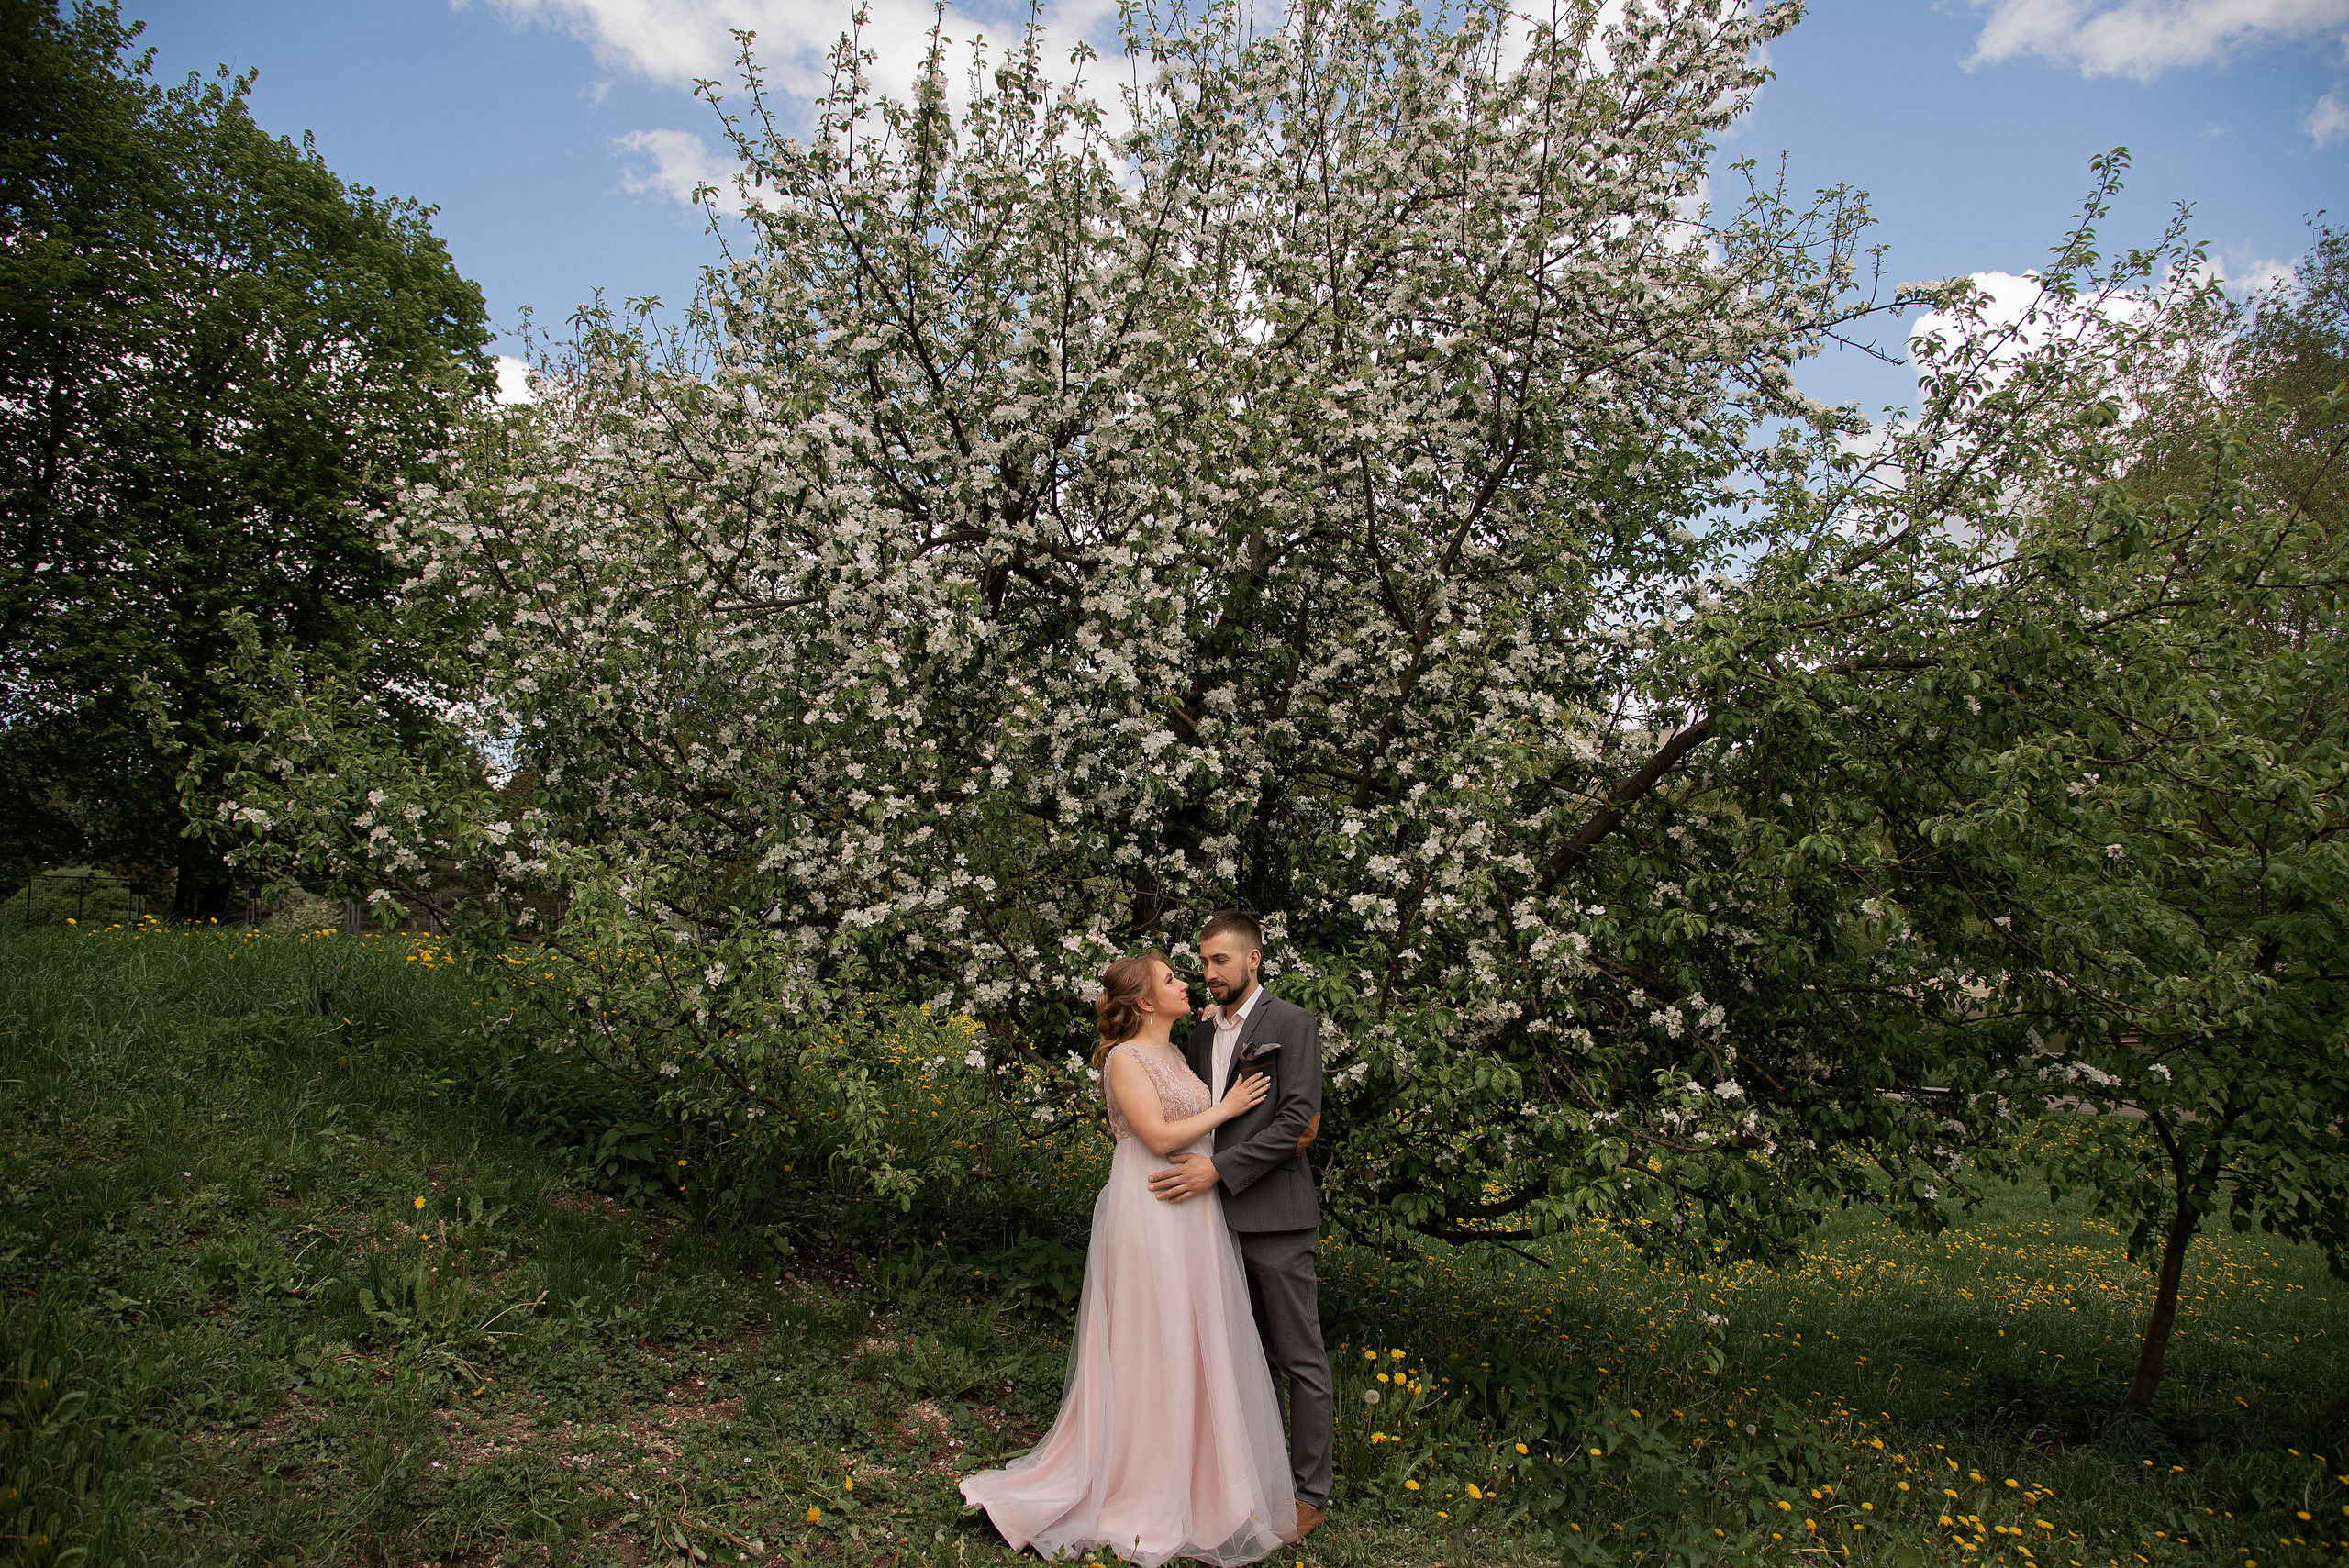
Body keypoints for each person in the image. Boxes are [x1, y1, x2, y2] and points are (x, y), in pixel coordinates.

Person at [960, 951, 1294, 1566]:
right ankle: (1133, 1479)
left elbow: (1192, 1133)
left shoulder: (1176, 1053)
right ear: (1144, 1001)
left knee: (1191, 1336)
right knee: (1148, 1336)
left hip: (1191, 1203)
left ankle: (1196, 1480)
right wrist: (1232, 1104)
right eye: (1171, 978)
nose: (1184, 982)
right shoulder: (1124, 1059)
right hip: (1148, 1202)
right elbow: (1159, 1136)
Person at [1148, 910, 1334, 1544]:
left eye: (1220, 961)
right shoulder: (1200, 1035)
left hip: (1276, 1216)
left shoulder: (1291, 1022)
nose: (1208, 973)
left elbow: (1298, 1121)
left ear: (1254, 959)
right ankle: (1250, 1477)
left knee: (1297, 1355)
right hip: (1210, 1226)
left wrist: (1217, 1171)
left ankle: (1310, 1492)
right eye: (1201, 962)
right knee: (1238, 1360)